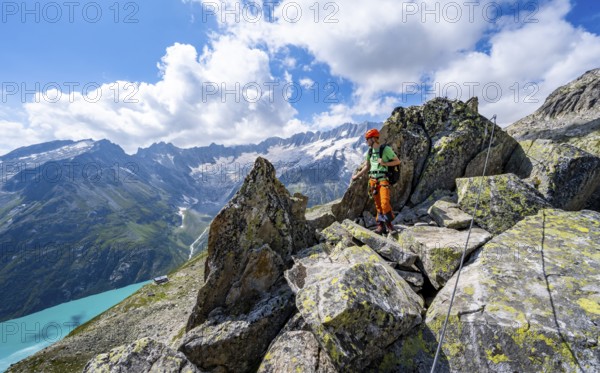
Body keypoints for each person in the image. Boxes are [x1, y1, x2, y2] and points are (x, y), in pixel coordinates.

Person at [352, 128, 401, 234]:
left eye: (367, 139)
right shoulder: (370, 151)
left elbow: (397, 161)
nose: (366, 142)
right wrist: (357, 176)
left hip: (383, 179)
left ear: (373, 139)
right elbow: (367, 166)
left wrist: (384, 163)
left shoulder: (385, 149)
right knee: (378, 204)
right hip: (373, 181)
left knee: (384, 202)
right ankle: (380, 226)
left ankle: (389, 225)